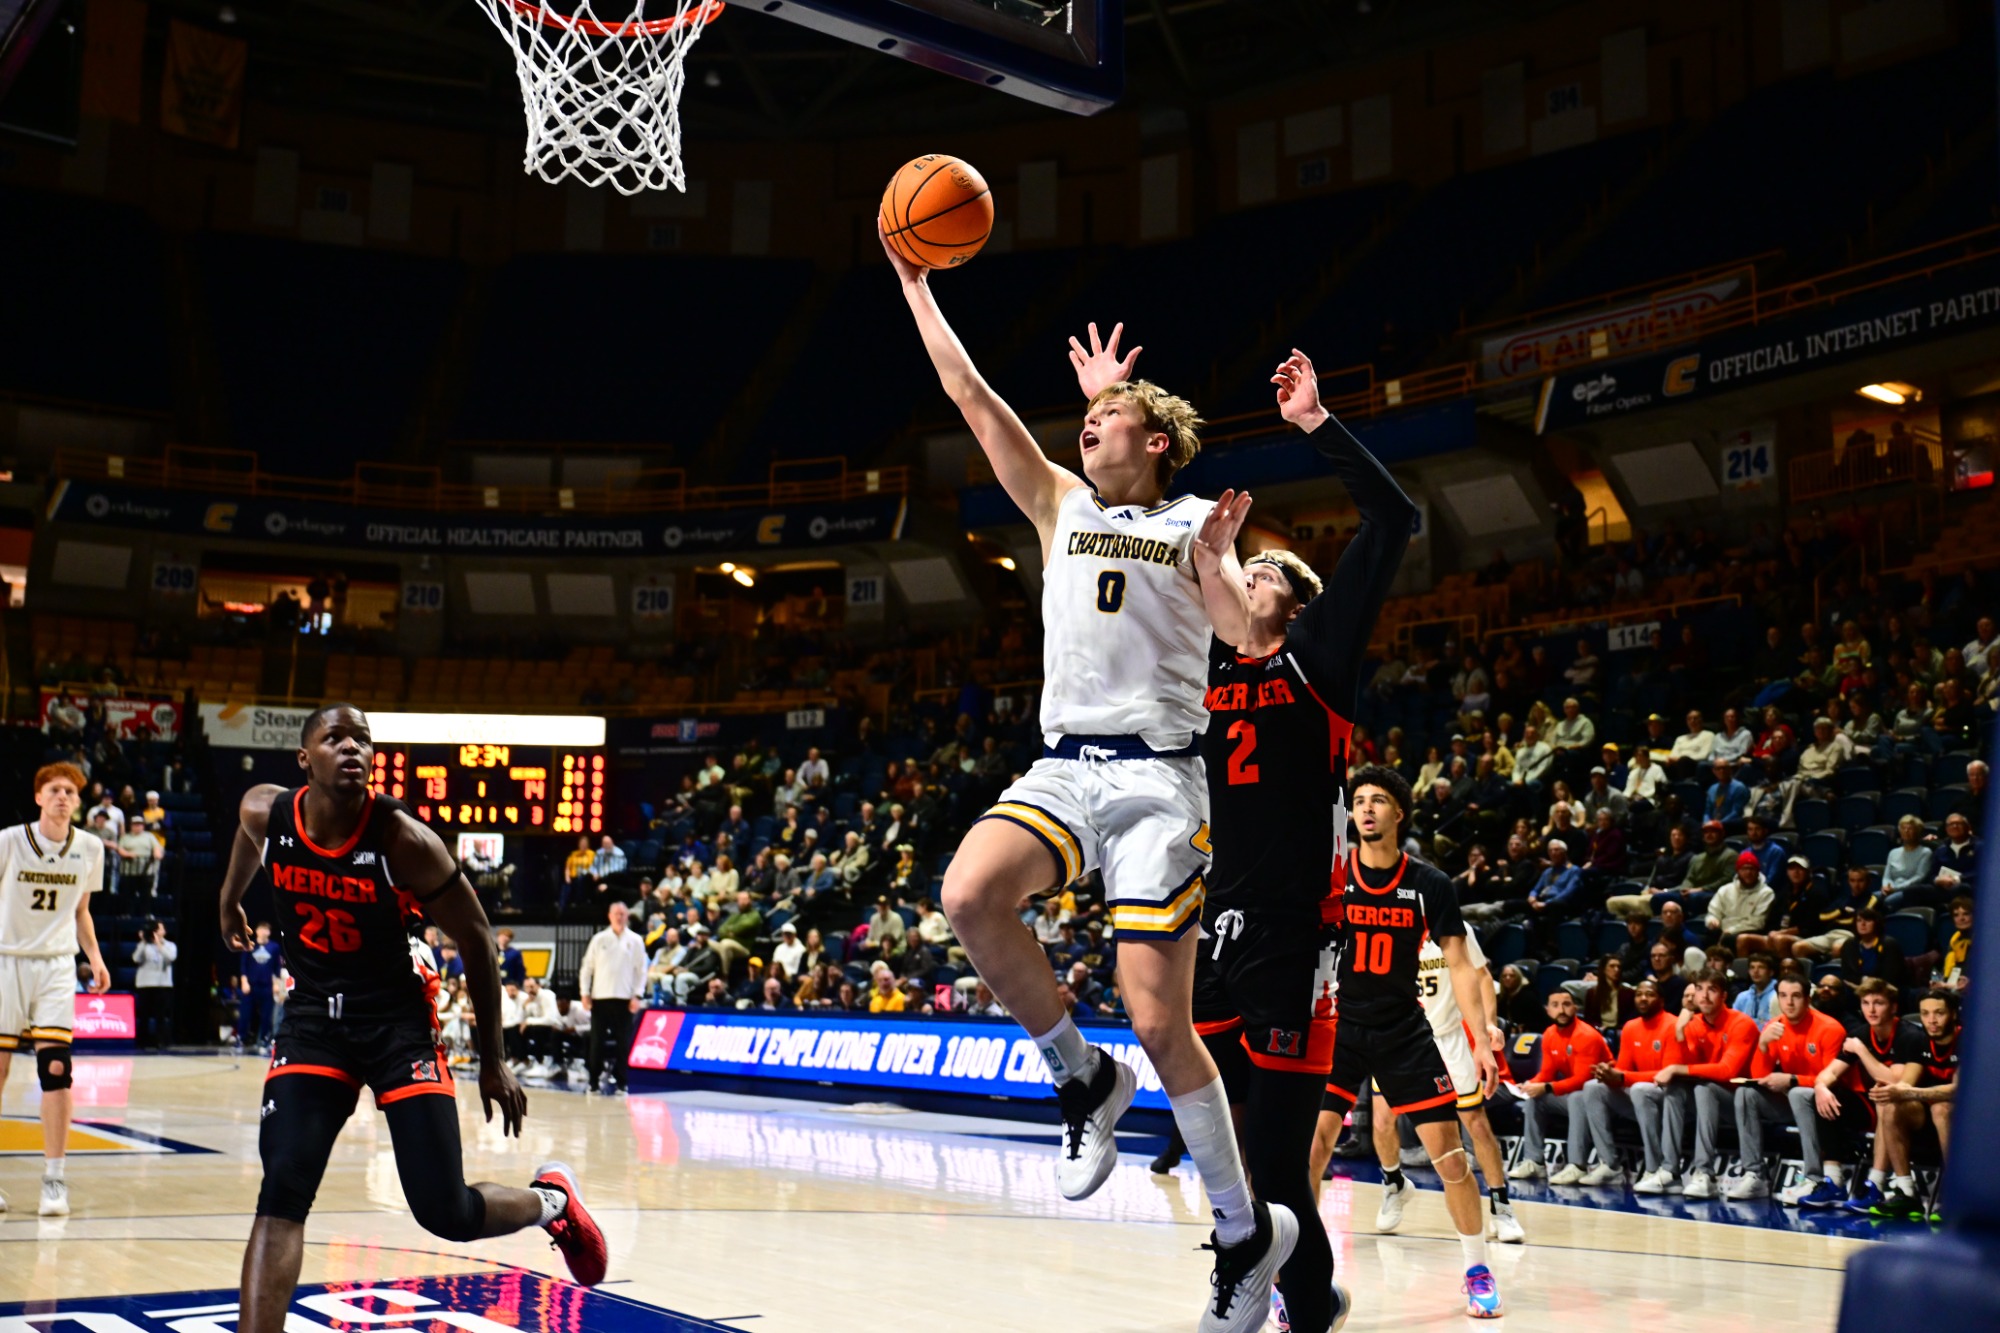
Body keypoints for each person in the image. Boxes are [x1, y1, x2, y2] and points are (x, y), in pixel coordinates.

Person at [890, 235, 1274, 1331]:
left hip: (1159, 783)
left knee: (1161, 1023)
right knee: (967, 894)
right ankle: (1079, 1078)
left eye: (1103, 418)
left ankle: (1242, 1235)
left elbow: (1247, 639)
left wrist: (1217, 567)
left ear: (1153, 442)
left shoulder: (1194, 522)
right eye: (1086, 418)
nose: (1082, 424)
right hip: (1064, 767)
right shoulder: (1062, 505)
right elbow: (970, 397)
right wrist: (916, 285)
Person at [216, 705, 606, 1331]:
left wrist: (494, 1062)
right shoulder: (269, 809)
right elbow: (247, 832)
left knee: (444, 1211)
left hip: (397, 1024)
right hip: (315, 1019)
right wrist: (229, 900)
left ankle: (552, 1202)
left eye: (363, 740)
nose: (353, 750)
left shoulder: (403, 839)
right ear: (304, 760)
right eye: (334, 738)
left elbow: (477, 938)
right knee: (282, 1191)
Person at [1188, 350, 1416, 1330]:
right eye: (1247, 565)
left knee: (1277, 1159)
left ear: (1296, 603)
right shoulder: (1197, 659)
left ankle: (1301, 1304)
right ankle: (1303, 1292)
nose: (1253, 572)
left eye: (1271, 569)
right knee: (1235, 1157)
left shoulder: (1316, 663)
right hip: (1211, 929)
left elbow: (1393, 520)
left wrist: (1318, 423)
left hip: (1294, 935)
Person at [1310, 767, 1503, 1318]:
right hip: (1337, 1029)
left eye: (1379, 801)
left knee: (1449, 1159)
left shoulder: (1430, 884)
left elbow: (1463, 968)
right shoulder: (1330, 876)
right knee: (1313, 1150)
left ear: (1400, 813)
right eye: (1360, 801)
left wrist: (1482, 1042)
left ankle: (1477, 1269)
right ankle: (1299, 1277)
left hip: (1403, 1033)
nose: (1366, 809)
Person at [0, 764, 110, 1216]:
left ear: (78, 801)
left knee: (57, 1069)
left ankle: (54, 1179)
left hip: (56, 966)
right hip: (6, 960)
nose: (63, 796)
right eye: (55, 790)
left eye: (70, 791)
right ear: (39, 797)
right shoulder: (8, 841)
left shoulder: (89, 847)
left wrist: (96, 958)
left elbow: (81, 911)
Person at [1725, 976, 1863, 1204]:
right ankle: (1754, 1175)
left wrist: (1791, 1079)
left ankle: (1814, 1178)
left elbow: (1831, 1083)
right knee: (1746, 1093)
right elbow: (1759, 1077)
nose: (1788, 1003)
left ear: (1808, 999)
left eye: (1796, 996)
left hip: (1836, 1103)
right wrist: (1763, 1045)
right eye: (1783, 996)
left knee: (1799, 1092)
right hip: (1794, 1101)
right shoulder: (1775, 1026)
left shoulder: (1830, 1028)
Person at [1852, 987, 1958, 1219]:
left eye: (1939, 1013)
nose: (1931, 1020)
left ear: (1953, 1014)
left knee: (1943, 1108)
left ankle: (1956, 1194)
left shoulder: (1967, 1041)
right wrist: (1890, 1091)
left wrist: (1910, 1093)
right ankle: (1906, 1191)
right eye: (1925, 1013)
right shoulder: (1918, 1040)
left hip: (1965, 1120)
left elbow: (1955, 1090)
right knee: (1890, 1104)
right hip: (1924, 1116)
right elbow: (1907, 1083)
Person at [1661, 968, 1760, 1198]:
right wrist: (1679, 1032)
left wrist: (1678, 1068)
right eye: (1699, 989)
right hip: (1708, 1098)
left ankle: (1704, 1174)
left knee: (1705, 1089)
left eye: (1712, 990)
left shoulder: (1741, 1023)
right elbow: (1677, 1067)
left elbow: (1727, 1071)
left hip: (1742, 1100)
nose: (1704, 996)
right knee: (1675, 1089)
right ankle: (1669, 1172)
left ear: (1724, 996)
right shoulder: (1693, 1023)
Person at [1580, 978, 1685, 1192]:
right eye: (1639, 994)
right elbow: (1623, 1070)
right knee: (1593, 1087)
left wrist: (1621, 1078)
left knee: (1640, 1089)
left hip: (1670, 1097)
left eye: (1649, 994)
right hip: (1640, 1096)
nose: (1643, 998)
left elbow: (1666, 1075)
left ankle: (1654, 1168)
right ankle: (1610, 1165)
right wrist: (1608, 1074)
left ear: (1661, 1001)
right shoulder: (1630, 1027)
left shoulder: (1672, 1025)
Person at [1506, 989, 1614, 1185]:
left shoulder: (1586, 1035)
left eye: (1566, 1004)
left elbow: (1582, 1080)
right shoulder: (1549, 1034)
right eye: (1555, 1005)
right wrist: (1531, 1084)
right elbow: (1546, 1073)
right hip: (1575, 1093)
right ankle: (1534, 1161)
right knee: (1533, 1097)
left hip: (1602, 1097)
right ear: (1547, 1010)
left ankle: (1577, 1165)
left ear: (1575, 1008)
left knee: (1577, 1097)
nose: (1561, 1010)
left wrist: (1546, 1087)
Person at [579, 900, 647, 1093]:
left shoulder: (635, 940)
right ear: (609, 916)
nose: (619, 917)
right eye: (616, 913)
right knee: (596, 1043)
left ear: (627, 916)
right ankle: (593, 1080)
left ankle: (622, 1082)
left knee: (624, 1043)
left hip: (625, 999)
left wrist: (637, 995)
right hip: (600, 998)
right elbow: (587, 968)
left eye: (622, 914)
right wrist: (585, 992)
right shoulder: (599, 939)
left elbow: (641, 971)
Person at [237, 922, 284, 1051]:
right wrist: (244, 982)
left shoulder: (274, 947)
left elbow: (277, 968)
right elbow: (243, 966)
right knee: (245, 1014)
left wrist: (276, 984)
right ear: (256, 931)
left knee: (266, 1015)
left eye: (266, 930)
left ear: (269, 932)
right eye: (261, 929)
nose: (263, 932)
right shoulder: (250, 946)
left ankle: (264, 1039)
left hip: (267, 986)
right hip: (251, 985)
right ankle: (241, 1038)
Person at [132, 919, 177, 1050]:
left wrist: (159, 945)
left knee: (161, 1015)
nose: (158, 932)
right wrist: (143, 942)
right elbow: (135, 958)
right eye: (156, 930)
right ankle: (142, 1041)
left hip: (163, 984)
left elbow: (171, 957)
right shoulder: (144, 945)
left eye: (160, 929)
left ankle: (160, 1041)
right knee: (144, 1015)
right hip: (145, 984)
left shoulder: (170, 945)